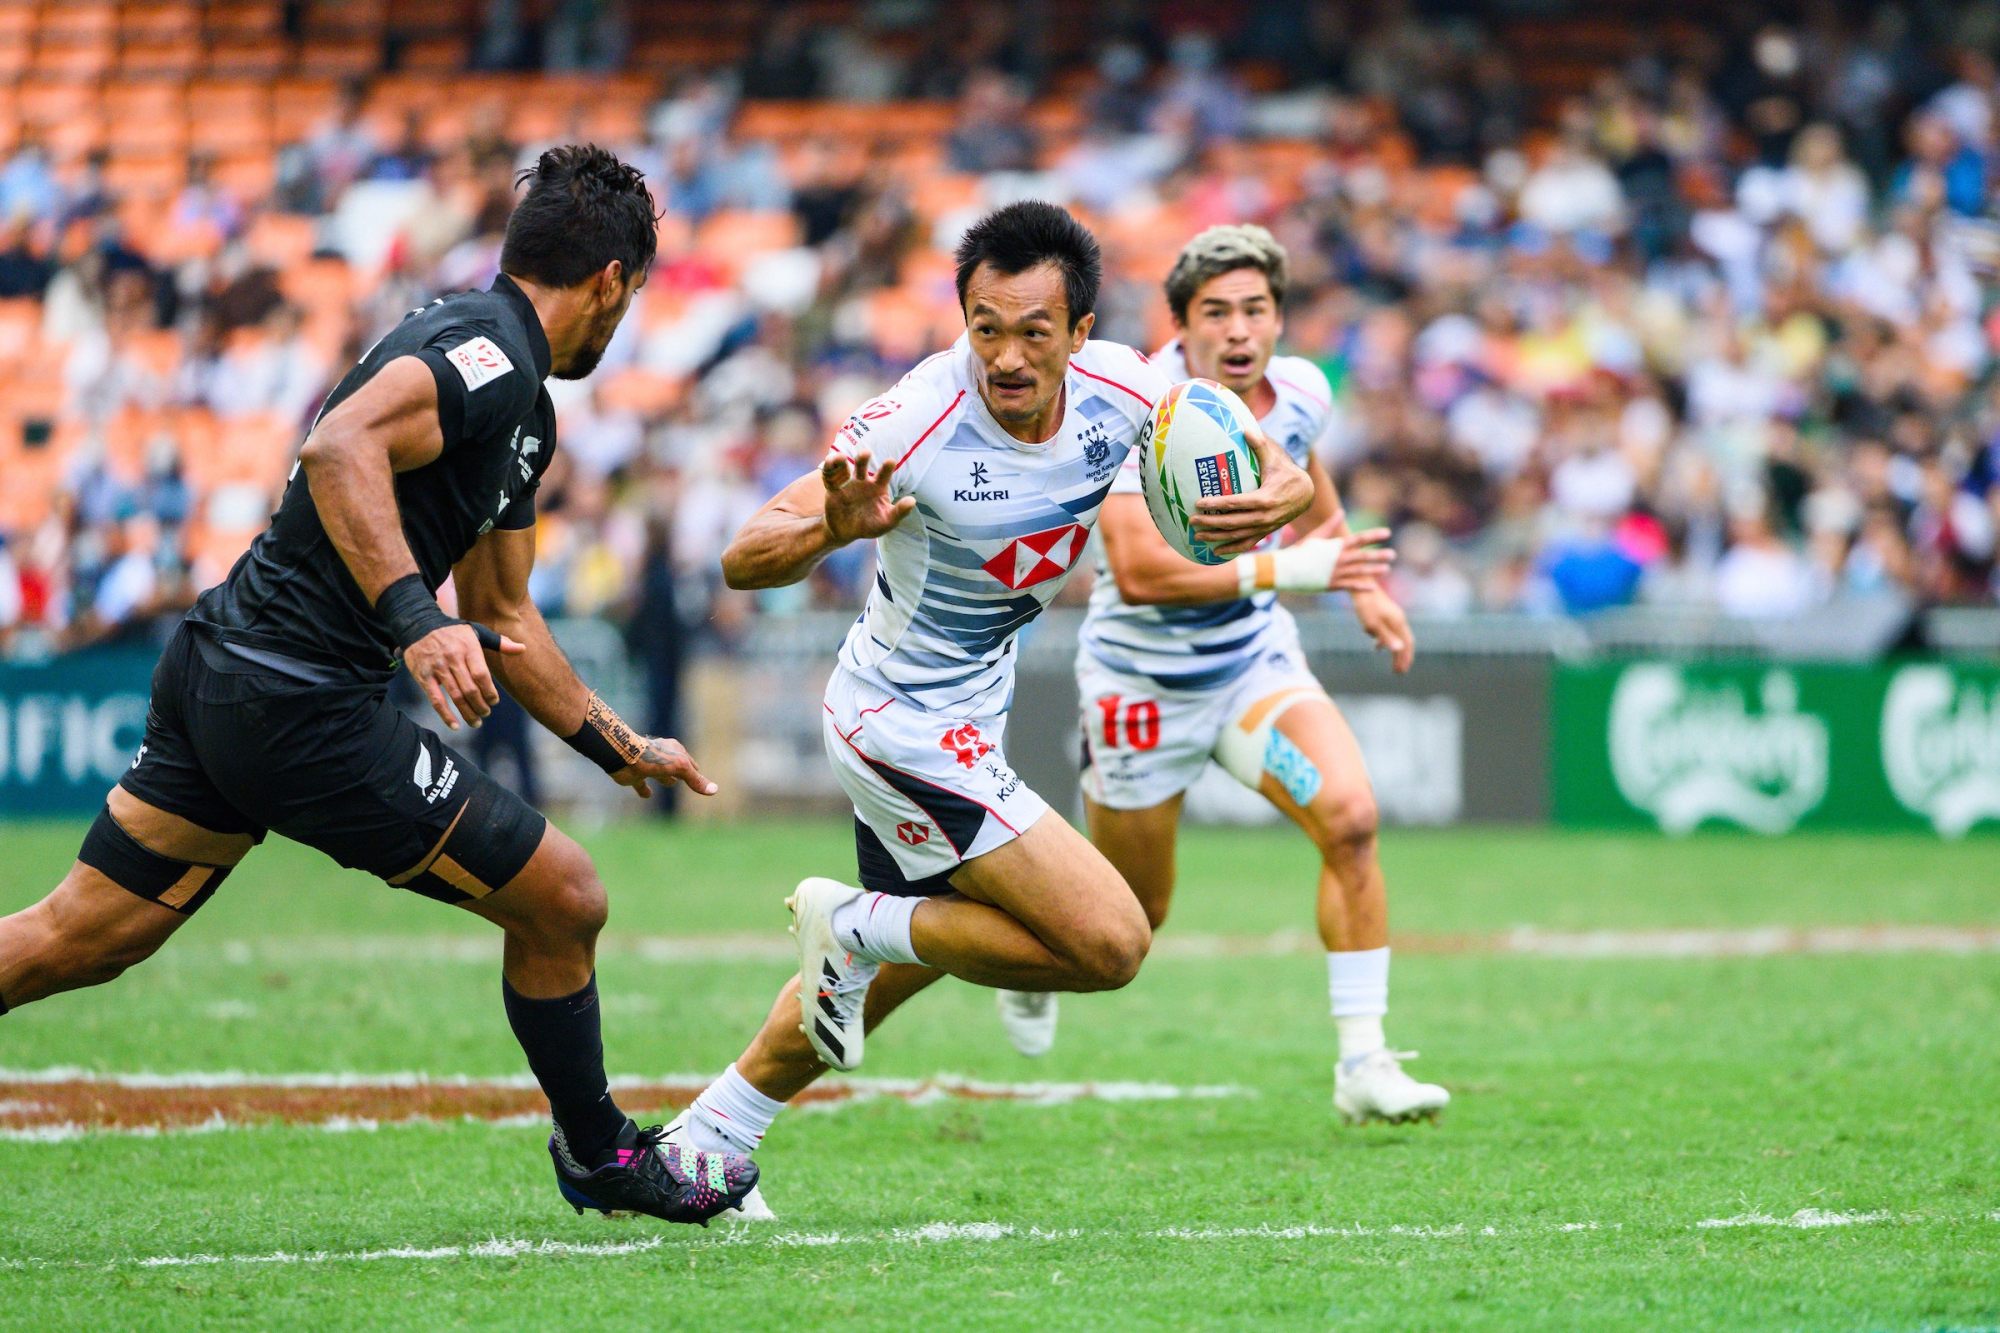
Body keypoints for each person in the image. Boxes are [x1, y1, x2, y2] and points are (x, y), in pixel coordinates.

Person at [0, 146, 757, 1225]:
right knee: (566, 898)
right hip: (295, 704)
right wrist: (413, 620)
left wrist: (617, 745)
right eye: (629, 299)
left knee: (85, 933)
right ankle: (600, 1155)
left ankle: (598, 1152)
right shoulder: (489, 352)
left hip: (225, 672)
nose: (623, 318)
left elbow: (505, 616)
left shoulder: (520, 404)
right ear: (609, 284)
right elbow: (336, 443)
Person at [672, 202, 1361, 1217]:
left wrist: (1282, 487)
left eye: (1033, 330)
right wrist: (832, 525)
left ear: (1080, 333)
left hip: (961, 718)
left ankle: (709, 1140)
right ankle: (858, 922)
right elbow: (742, 555)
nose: (1004, 354)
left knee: (900, 966)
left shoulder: (1127, 391)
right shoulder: (914, 419)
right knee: (1111, 941)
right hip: (898, 722)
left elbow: (1264, 450)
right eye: (983, 326)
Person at [998, 224, 1450, 1126]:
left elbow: (1305, 474)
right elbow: (1140, 571)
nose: (1239, 332)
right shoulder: (1139, 405)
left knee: (1352, 821)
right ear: (1181, 327)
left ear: (1280, 319)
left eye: (1256, 310)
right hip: (1140, 692)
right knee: (1131, 916)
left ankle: (1364, 1059)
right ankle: (1026, 960)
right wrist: (1298, 571)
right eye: (1216, 313)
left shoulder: (1305, 392)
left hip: (1251, 669)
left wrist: (1357, 582)